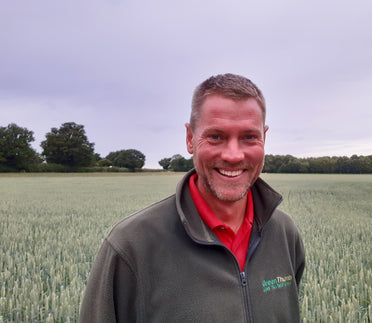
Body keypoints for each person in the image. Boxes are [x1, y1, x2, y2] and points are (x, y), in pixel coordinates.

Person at [79, 73, 305, 322]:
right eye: (216, 137)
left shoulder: (284, 234)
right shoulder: (131, 246)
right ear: (190, 139)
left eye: (249, 137)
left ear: (264, 138)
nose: (233, 155)